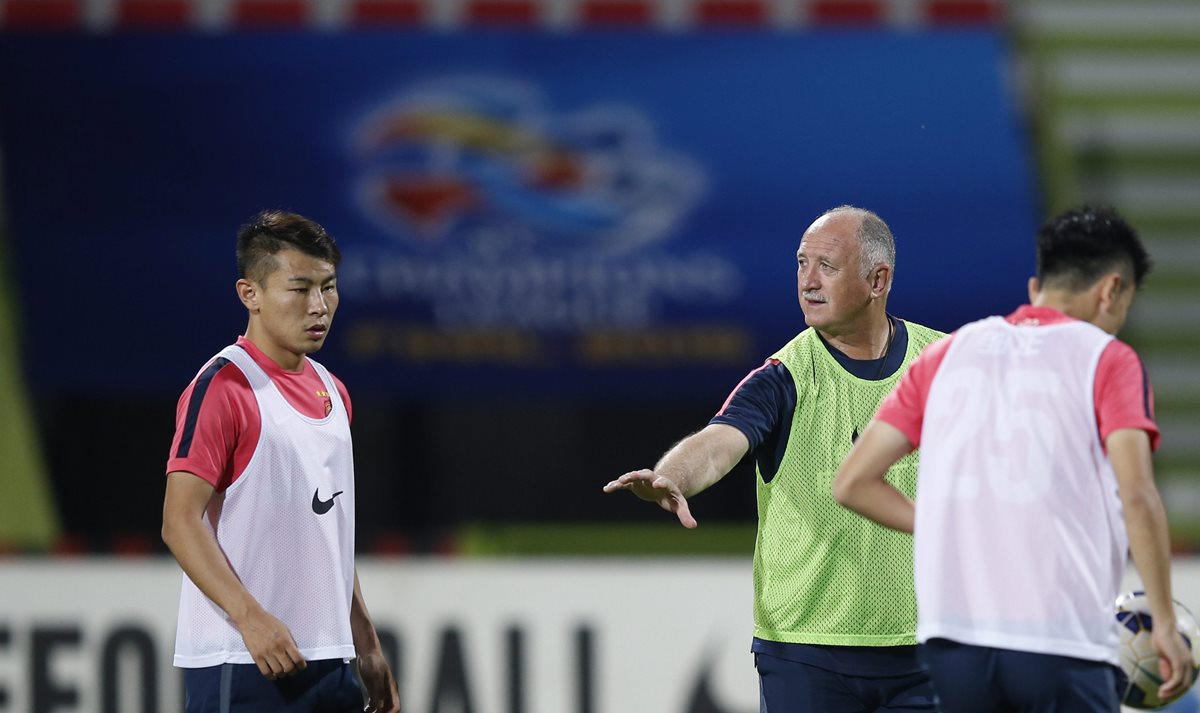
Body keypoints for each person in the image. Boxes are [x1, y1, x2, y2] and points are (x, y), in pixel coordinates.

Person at [832, 205, 1192, 712]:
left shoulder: (946, 355)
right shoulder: (1107, 359)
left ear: (1035, 289)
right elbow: (1136, 494)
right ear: (1112, 291)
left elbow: (852, 482)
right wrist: (1165, 623)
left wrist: (945, 524)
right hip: (1061, 638)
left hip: (955, 642)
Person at [604, 205, 945, 712]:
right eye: (801, 263)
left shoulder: (945, 365)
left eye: (826, 266)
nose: (807, 281)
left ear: (878, 280)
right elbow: (720, 441)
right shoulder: (784, 377)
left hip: (931, 650)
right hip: (806, 654)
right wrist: (671, 476)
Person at [161, 210, 400, 713]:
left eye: (329, 287)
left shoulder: (334, 393)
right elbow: (179, 522)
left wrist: (365, 640)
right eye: (299, 289)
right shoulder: (223, 388)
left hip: (331, 661)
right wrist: (250, 618)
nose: (319, 306)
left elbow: (329, 530)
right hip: (245, 660)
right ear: (250, 294)